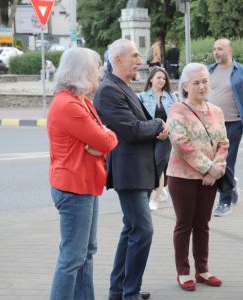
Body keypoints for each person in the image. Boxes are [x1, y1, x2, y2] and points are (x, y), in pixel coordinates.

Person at [93, 38, 168, 300]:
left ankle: (120, 289)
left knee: (131, 229)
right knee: (142, 230)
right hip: (129, 172)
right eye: (134, 56)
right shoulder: (108, 90)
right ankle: (129, 292)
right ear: (117, 60)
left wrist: (155, 126)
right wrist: (158, 124)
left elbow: (139, 123)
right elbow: (132, 129)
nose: (140, 61)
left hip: (139, 169)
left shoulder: (121, 86)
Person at [47, 47, 118, 300]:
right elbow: (107, 141)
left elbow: (103, 138)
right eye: (94, 69)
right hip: (73, 188)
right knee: (72, 258)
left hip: (85, 184)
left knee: (86, 252)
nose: (99, 74)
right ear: (81, 72)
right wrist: (103, 141)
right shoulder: (69, 105)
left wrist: (102, 141)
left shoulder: (81, 100)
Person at [167, 62, 229, 291]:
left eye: (204, 81)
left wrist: (217, 168)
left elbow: (223, 142)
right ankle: (183, 272)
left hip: (209, 178)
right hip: (182, 177)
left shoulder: (217, 111)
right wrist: (208, 168)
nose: (202, 86)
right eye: (196, 83)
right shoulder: (177, 110)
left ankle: (202, 269)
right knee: (185, 224)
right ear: (185, 86)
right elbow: (181, 144)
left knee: (203, 224)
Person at [208, 38, 243, 217]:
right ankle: (232, 185)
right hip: (212, 125)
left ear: (230, 51)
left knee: (225, 161)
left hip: (233, 123)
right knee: (214, 162)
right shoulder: (209, 70)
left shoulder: (241, 72)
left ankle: (225, 201)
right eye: (214, 49)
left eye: (220, 49)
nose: (216, 52)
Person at [139, 67, 177, 211]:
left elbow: (175, 116)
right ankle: (160, 188)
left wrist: (167, 130)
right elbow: (140, 117)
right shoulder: (142, 96)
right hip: (150, 135)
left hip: (166, 136)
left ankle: (155, 198)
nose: (161, 80)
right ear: (151, 79)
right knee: (151, 165)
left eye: (164, 78)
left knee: (158, 164)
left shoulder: (171, 96)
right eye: (158, 77)